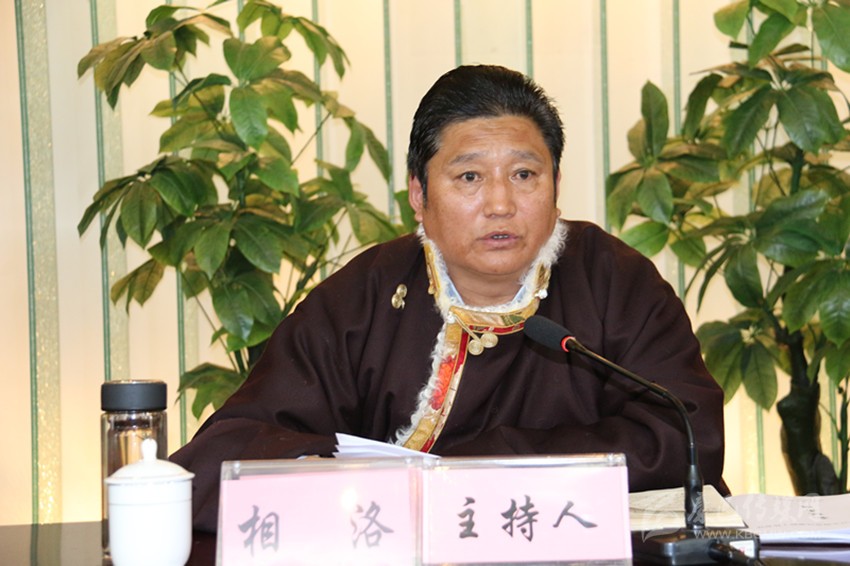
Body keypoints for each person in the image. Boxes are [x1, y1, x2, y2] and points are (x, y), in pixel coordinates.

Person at [171, 64, 726, 532]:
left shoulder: (614, 280)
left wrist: (470, 470)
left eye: (524, 174)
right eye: (469, 177)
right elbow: (226, 451)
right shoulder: (362, 296)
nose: (501, 204)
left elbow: (685, 435)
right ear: (419, 194)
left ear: (556, 185)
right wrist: (350, 484)